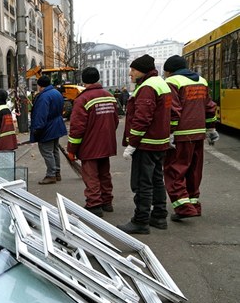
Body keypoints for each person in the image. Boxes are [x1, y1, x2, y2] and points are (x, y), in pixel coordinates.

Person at [117, 54, 172, 234]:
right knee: (157, 180)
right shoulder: (162, 84)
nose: (130, 73)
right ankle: (159, 216)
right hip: (160, 143)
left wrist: (132, 144)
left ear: (142, 70)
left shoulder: (147, 87)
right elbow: (173, 113)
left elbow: (141, 119)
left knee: (143, 183)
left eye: (133, 70)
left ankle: (140, 221)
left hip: (146, 144)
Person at [162, 55, 218, 221]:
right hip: (198, 133)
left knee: (175, 170)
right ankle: (194, 205)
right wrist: (211, 128)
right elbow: (209, 107)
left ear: (169, 70)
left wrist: (170, 132)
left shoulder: (172, 82)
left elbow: (173, 109)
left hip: (180, 134)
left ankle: (184, 209)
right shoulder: (201, 81)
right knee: (194, 170)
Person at [67, 67, 119, 217]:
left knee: (91, 176)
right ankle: (107, 202)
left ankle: (94, 204)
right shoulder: (109, 96)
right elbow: (114, 121)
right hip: (106, 143)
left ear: (83, 81)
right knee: (104, 173)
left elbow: (77, 128)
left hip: (90, 145)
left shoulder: (82, 99)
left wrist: (72, 149)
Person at [29, 75, 67, 184]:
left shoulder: (44, 96)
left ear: (40, 86)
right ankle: (57, 172)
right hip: (57, 125)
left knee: (47, 151)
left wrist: (37, 129)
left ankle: (51, 175)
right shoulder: (56, 93)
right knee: (54, 150)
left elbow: (41, 114)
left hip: (47, 128)